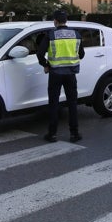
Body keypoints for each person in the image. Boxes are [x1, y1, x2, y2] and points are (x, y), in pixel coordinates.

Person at [36, 10, 85, 143]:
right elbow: (81, 54)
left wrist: (45, 64)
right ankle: (74, 134)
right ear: (66, 20)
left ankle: (52, 134)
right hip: (71, 74)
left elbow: (40, 53)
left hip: (55, 74)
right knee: (72, 104)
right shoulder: (76, 34)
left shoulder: (50, 35)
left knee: (54, 104)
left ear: (55, 21)